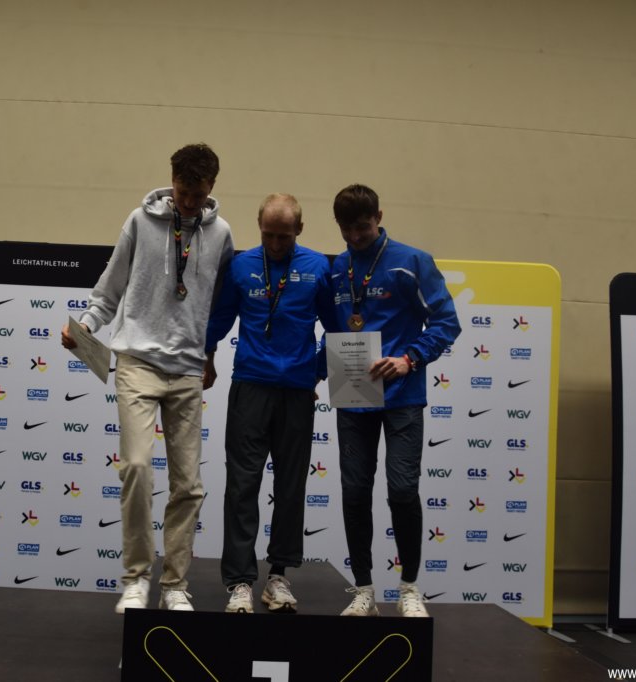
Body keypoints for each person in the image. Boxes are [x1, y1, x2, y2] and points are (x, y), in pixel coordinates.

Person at [61, 143, 235, 613]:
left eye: (198, 195)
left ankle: (175, 584)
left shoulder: (221, 234)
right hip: (137, 362)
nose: (189, 203)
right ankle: (136, 579)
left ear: (212, 187)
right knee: (137, 467)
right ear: (172, 180)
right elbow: (109, 289)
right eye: (182, 192)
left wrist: (210, 355)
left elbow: (218, 306)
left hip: (188, 370)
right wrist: (85, 327)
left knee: (188, 484)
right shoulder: (140, 221)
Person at [329, 184, 460, 618]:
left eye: (363, 227)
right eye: (346, 229)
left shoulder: (411, 262)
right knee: (354, 492)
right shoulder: (338, 268)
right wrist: (312, 372)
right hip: (353, 397)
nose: (355, 237)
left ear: (379, 218)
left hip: (403, 397)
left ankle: (409, 588)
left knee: (402, 490)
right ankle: (364, 590)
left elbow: (446, 322)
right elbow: (335, 332)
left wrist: (410, 359)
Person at [204, 193, 337, 614]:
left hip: (297, 392)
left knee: (291, 486)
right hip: (251, 387)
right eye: (268, 235)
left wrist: (315, 372)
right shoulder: (241, 265)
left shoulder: (319, 267)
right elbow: (219, 319)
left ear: (300, 229)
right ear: (259, 227)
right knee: (242, 485)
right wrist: (206, 358)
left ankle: (278, 576)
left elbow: (337, 329)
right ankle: (240, 581)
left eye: (284, 236)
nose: (276, 244)